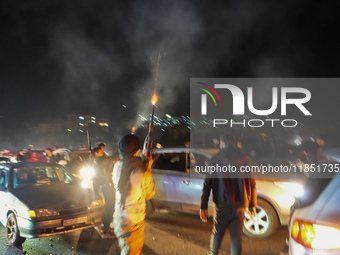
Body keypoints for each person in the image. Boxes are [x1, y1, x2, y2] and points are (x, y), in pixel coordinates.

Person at [200, 134, 257, 255]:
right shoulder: (245, 159)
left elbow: (207, 184)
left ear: (222, 144)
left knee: (218, 232)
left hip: (222, 204)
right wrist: (252, 205)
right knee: (236, 238)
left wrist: (203, 206)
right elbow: (252, 183)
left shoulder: (215, 160)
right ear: (234, 144)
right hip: (240, 204)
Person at [113, 134, 156, 255]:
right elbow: (150, 194)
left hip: (119, 217)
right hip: (133, 222)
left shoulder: (117, 166)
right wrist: (148, 167)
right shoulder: (142, 171)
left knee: (125, 249)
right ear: (138, 150)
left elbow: (130, 165)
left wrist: (144, 163)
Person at [90, 147, 115, 238]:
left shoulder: (97, 161)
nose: (103, 151)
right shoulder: (100, 160)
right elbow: (113, 158)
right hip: (107, 186)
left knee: (109, 207)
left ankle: (106, 228)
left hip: (106, 186)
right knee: (110, 207)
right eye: (101, 151)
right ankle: (105, 231)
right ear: (96, 153)